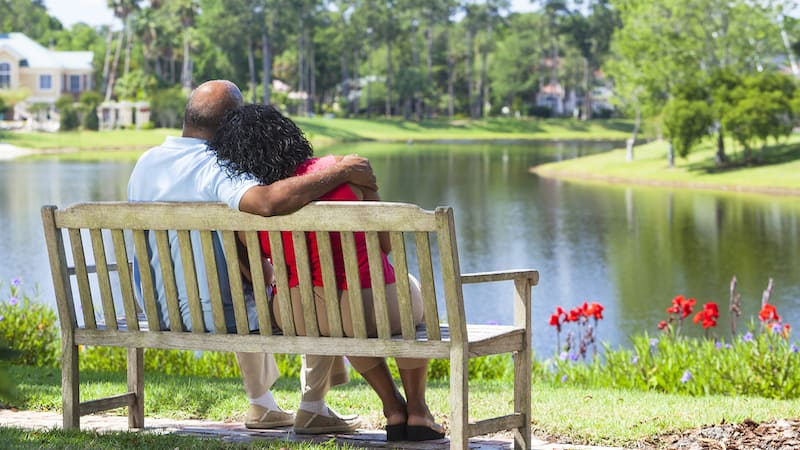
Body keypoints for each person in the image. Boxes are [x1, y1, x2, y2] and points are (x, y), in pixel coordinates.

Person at [127, 80, 377, 434]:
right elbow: (267, 202)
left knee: (243, 279)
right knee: (313, 287)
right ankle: (312, 406)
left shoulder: (146, 163)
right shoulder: (215, 166)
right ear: (232, 123)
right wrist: (340, 171)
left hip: (158, 309)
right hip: (215, 314)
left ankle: (261, 404)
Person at [209, 103, 445, 442]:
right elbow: (385, 244)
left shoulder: (249, 201)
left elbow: (259, 272)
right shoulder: (344, 171)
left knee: (338, 315)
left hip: (296, 314)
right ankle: (418, 412)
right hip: (367, 304)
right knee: (405, 296)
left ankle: (394, 407)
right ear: (288, 135)